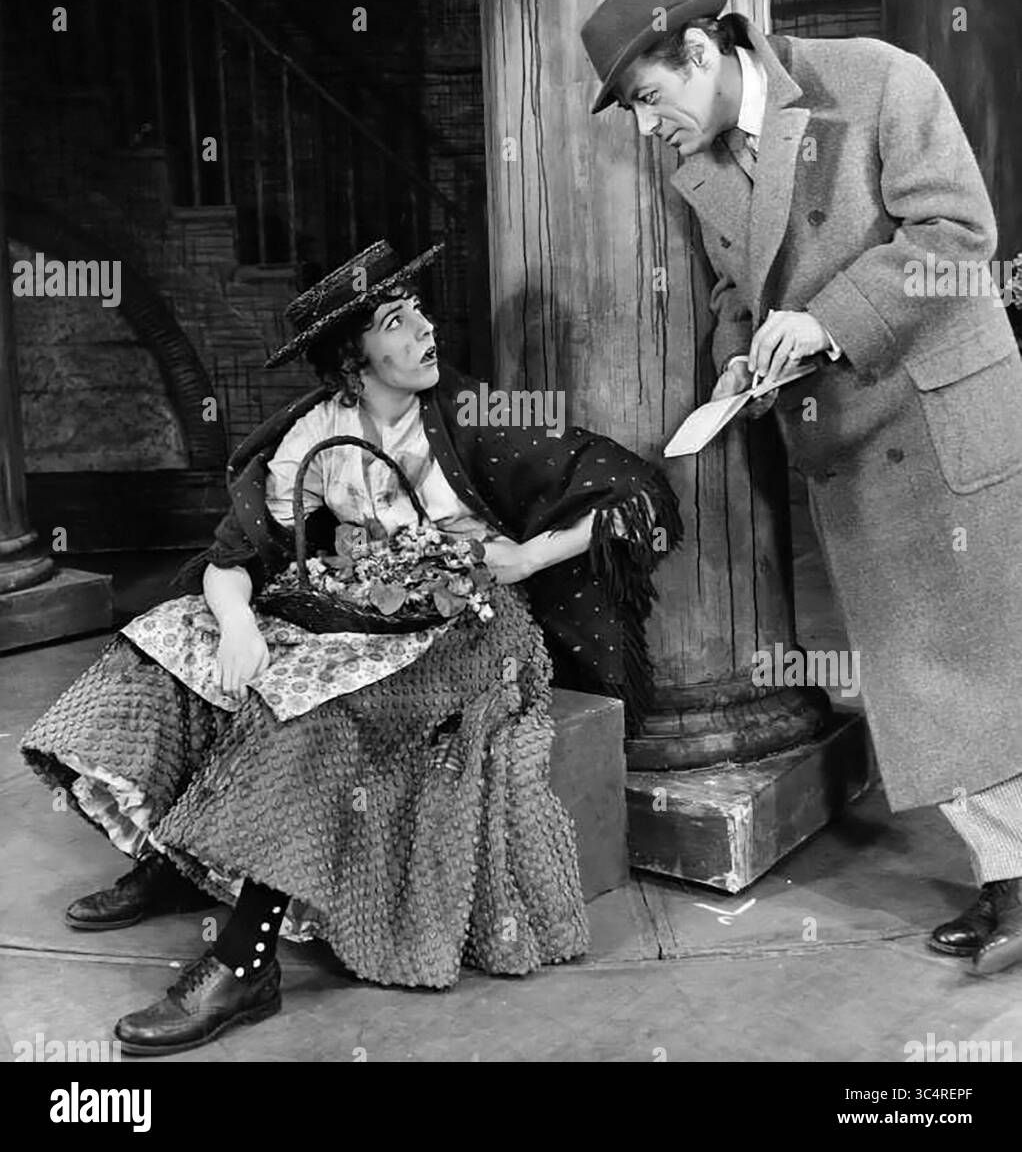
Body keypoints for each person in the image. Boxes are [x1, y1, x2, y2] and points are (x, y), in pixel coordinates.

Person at [20, 238, 681, 1056]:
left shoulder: (477, 418)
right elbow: (235, 560)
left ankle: (244, 961)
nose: (426, 333)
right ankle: (174, 856)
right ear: (350, 363)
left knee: (301, 710)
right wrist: (236, 627)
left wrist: (527, 555)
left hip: (472, 628)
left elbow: (635, 489)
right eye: (398, 324)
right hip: (361, 613)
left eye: (420, 314)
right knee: (161, 647)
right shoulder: (312, 437)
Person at [581, 0, 1022, 975]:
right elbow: (739, 292)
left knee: (981, 662)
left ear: (697, 53)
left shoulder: (868, 82)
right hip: (850, 443)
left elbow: (957, 237)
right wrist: (739, 356)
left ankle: (1014, 885)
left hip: (939, 416)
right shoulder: (697, 171)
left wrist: (827, 319)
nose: (646, 128)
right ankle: (1009, 879)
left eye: (647, 98)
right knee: (927, 674)